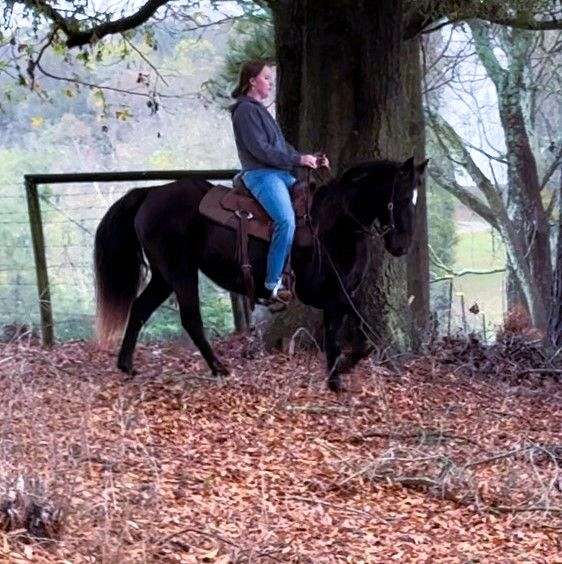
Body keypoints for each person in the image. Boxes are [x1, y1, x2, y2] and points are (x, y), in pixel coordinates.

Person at [230, 60, 328, 303]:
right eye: (266, 78)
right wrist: (297, 159)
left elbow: (281, 147)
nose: (270, 83)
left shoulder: (260, 110)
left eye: (270, 79)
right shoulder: (244, 111)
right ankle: (271, 285)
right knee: (285, 220)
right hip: (261, 175)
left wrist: (311, 160)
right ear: (251, 81)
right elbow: (261, 150)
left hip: (281, 174)